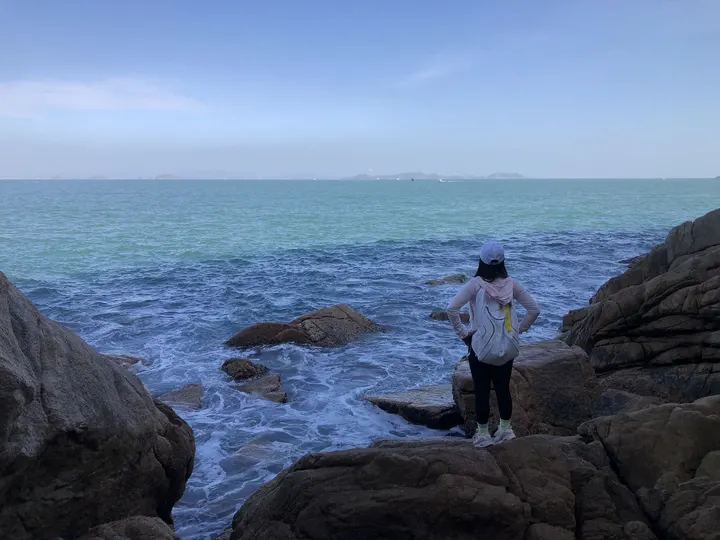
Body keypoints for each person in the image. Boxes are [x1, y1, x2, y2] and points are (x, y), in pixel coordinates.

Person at [446, 240, 540, 448]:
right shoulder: (512, 284)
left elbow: (452, 309)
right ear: (503, 261)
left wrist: (464, 335)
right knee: (502, 388)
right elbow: (534, 310)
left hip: (481, 346)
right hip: (506, 346)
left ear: (481, 261)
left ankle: (483, 435)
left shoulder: (475, 284)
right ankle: (506, 430)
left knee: (481, 391)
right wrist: (518, 330)